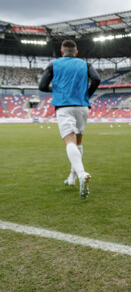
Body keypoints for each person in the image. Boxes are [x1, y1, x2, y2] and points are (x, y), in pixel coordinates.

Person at [39, 39, 101, 199]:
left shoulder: (54, 64)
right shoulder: (85, 64)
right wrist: (87, 94)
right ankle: (72, 177)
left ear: (62, 52)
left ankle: (81, 175)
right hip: (82, 106)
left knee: (69, 142)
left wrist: (57, 88)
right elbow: (97, 79)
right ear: (76, 52)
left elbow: (42, 86)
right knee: (78, 142)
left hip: (64, 105)